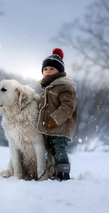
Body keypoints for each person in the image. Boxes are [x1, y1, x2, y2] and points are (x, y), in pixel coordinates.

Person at [37, 48, 78, 181]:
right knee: (50, 150)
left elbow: (68, 106)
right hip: (49, 127)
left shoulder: (64, 87)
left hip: (60, 126)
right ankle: (53, 171)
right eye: (45, 69)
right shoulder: (46, 90)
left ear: (59, 72)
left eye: (52, 69)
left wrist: (54, 119)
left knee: (58, 148)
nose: (48, 71)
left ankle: (64, 174)